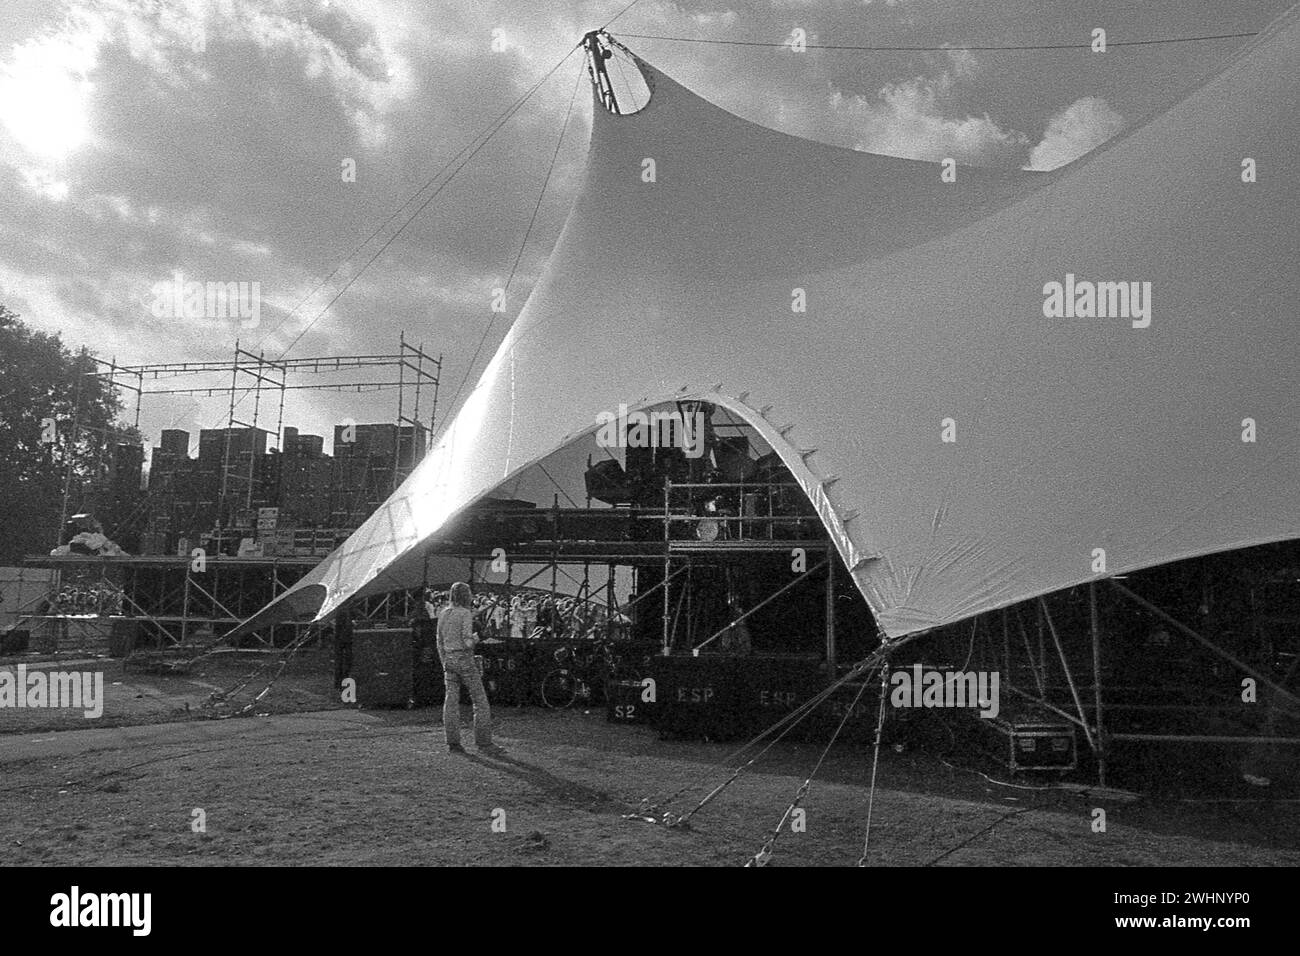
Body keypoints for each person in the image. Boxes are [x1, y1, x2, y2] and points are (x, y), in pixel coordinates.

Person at [437, 582, 504, 755]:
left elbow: (439, 641)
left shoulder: (443, 613)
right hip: (464, 659)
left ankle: (452, 742)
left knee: (450, 701)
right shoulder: (465, 613)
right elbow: (467, 642)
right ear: (466, 596)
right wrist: (479, 636)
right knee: (480, 701)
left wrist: (444, 661)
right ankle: (484, 742)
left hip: (449, 659)